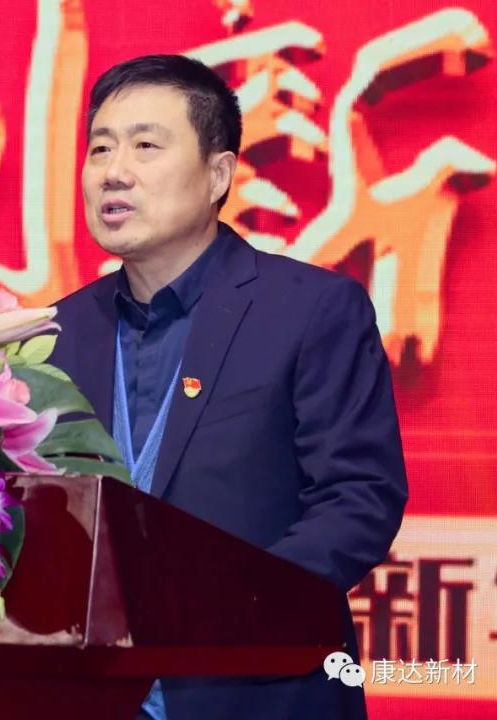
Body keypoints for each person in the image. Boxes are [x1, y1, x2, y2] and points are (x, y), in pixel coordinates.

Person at [48, 54, 408, 719]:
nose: (113, 171)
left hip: (255, 693)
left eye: (145, 146)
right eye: (100, 148)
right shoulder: (54, 336)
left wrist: (232, 604)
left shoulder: (309, 310)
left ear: (218, 174)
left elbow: (359, 498)